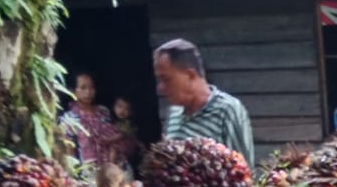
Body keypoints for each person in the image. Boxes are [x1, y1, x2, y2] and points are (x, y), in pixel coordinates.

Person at [153, 38, 255, 168]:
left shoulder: (227, 110)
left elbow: (244, 173)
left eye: (166, 79)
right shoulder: (174, 112)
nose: (160, 87)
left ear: (190, 75)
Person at [59, 72, 128, 176]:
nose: (88, 92)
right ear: (73, 90)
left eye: (91, 88)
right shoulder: (69, 119)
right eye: (83, 88)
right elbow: (70, 151)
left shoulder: (104, 112)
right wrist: (74, 175)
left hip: (115, 171)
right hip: (90, 175)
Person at [112, 96, 143, 169]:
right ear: (114, 107)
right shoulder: (113, 122)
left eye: (126, 109)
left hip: (128, 152)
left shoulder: (128, 123)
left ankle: (112, 166)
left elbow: (121, 135)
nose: (122, 111)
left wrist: (107, 140)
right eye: (119, 106)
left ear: (131, 112)